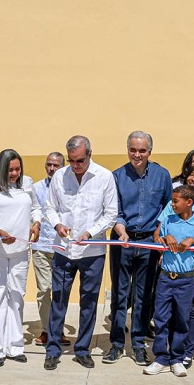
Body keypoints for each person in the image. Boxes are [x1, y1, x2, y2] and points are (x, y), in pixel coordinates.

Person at [43, 135, 118, 371]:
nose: (75, 165)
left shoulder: (104, 177)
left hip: (92, 251)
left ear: (90, 155)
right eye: (71, 160)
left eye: (80, 161)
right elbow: (49, 207)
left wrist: (91, 232)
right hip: (64, 249)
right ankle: (53, 349)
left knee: (89, 302)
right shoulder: (59, 176)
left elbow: (111, 214)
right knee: (58, 300)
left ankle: (83, 349)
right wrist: (57, 224)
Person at [105, 131, 172, 366]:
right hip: (123, 241)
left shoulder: (162, 175)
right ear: (127, 150)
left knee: (144, 295)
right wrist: (121, 230)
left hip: (149, 243)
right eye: (133, 150)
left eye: (142, 150)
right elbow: (114, 210)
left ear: (150, 151)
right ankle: (116, 344)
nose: (137, 155)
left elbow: (168, 208)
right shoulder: (116, 176)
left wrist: (159, 233)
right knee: (120, 294)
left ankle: (138, 344)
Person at [0, 149, 41, 366]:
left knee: (16, 296)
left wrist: (36, 223)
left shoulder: (27, 183)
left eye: (17, 169)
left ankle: (15, 346)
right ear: (1, 168)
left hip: (21, 251)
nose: (14, 174)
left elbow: (36, 208)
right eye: (10, 170)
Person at [144, 185, 194, 377]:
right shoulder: (168, 220)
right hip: (165, 277)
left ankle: (177, 358)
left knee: (182, 319)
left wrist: (193, 241)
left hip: (186, 279)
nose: (172, 204)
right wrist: (164, 237)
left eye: (175, 201)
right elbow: (158, 240)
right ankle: (161, 358)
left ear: (189, 202)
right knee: (161, 318)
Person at [158, 165, 194, 367]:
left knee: (190, 309)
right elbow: (159, 233)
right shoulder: (172, 208)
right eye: (191, 174)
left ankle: (186, 351)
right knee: (166, 312)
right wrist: (165, 237)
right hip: (171, 267)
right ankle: (166, 353)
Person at [31, 152, 69, 347]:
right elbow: (33, 211)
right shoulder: (36, 187)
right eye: (49, 164)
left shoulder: (69, 187)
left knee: (60, 290)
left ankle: (58, 329)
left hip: (62, 246)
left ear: (63, 166)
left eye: (56, 165)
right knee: (44, 289)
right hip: (41, 246)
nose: (52, 168)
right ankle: (47, 330)